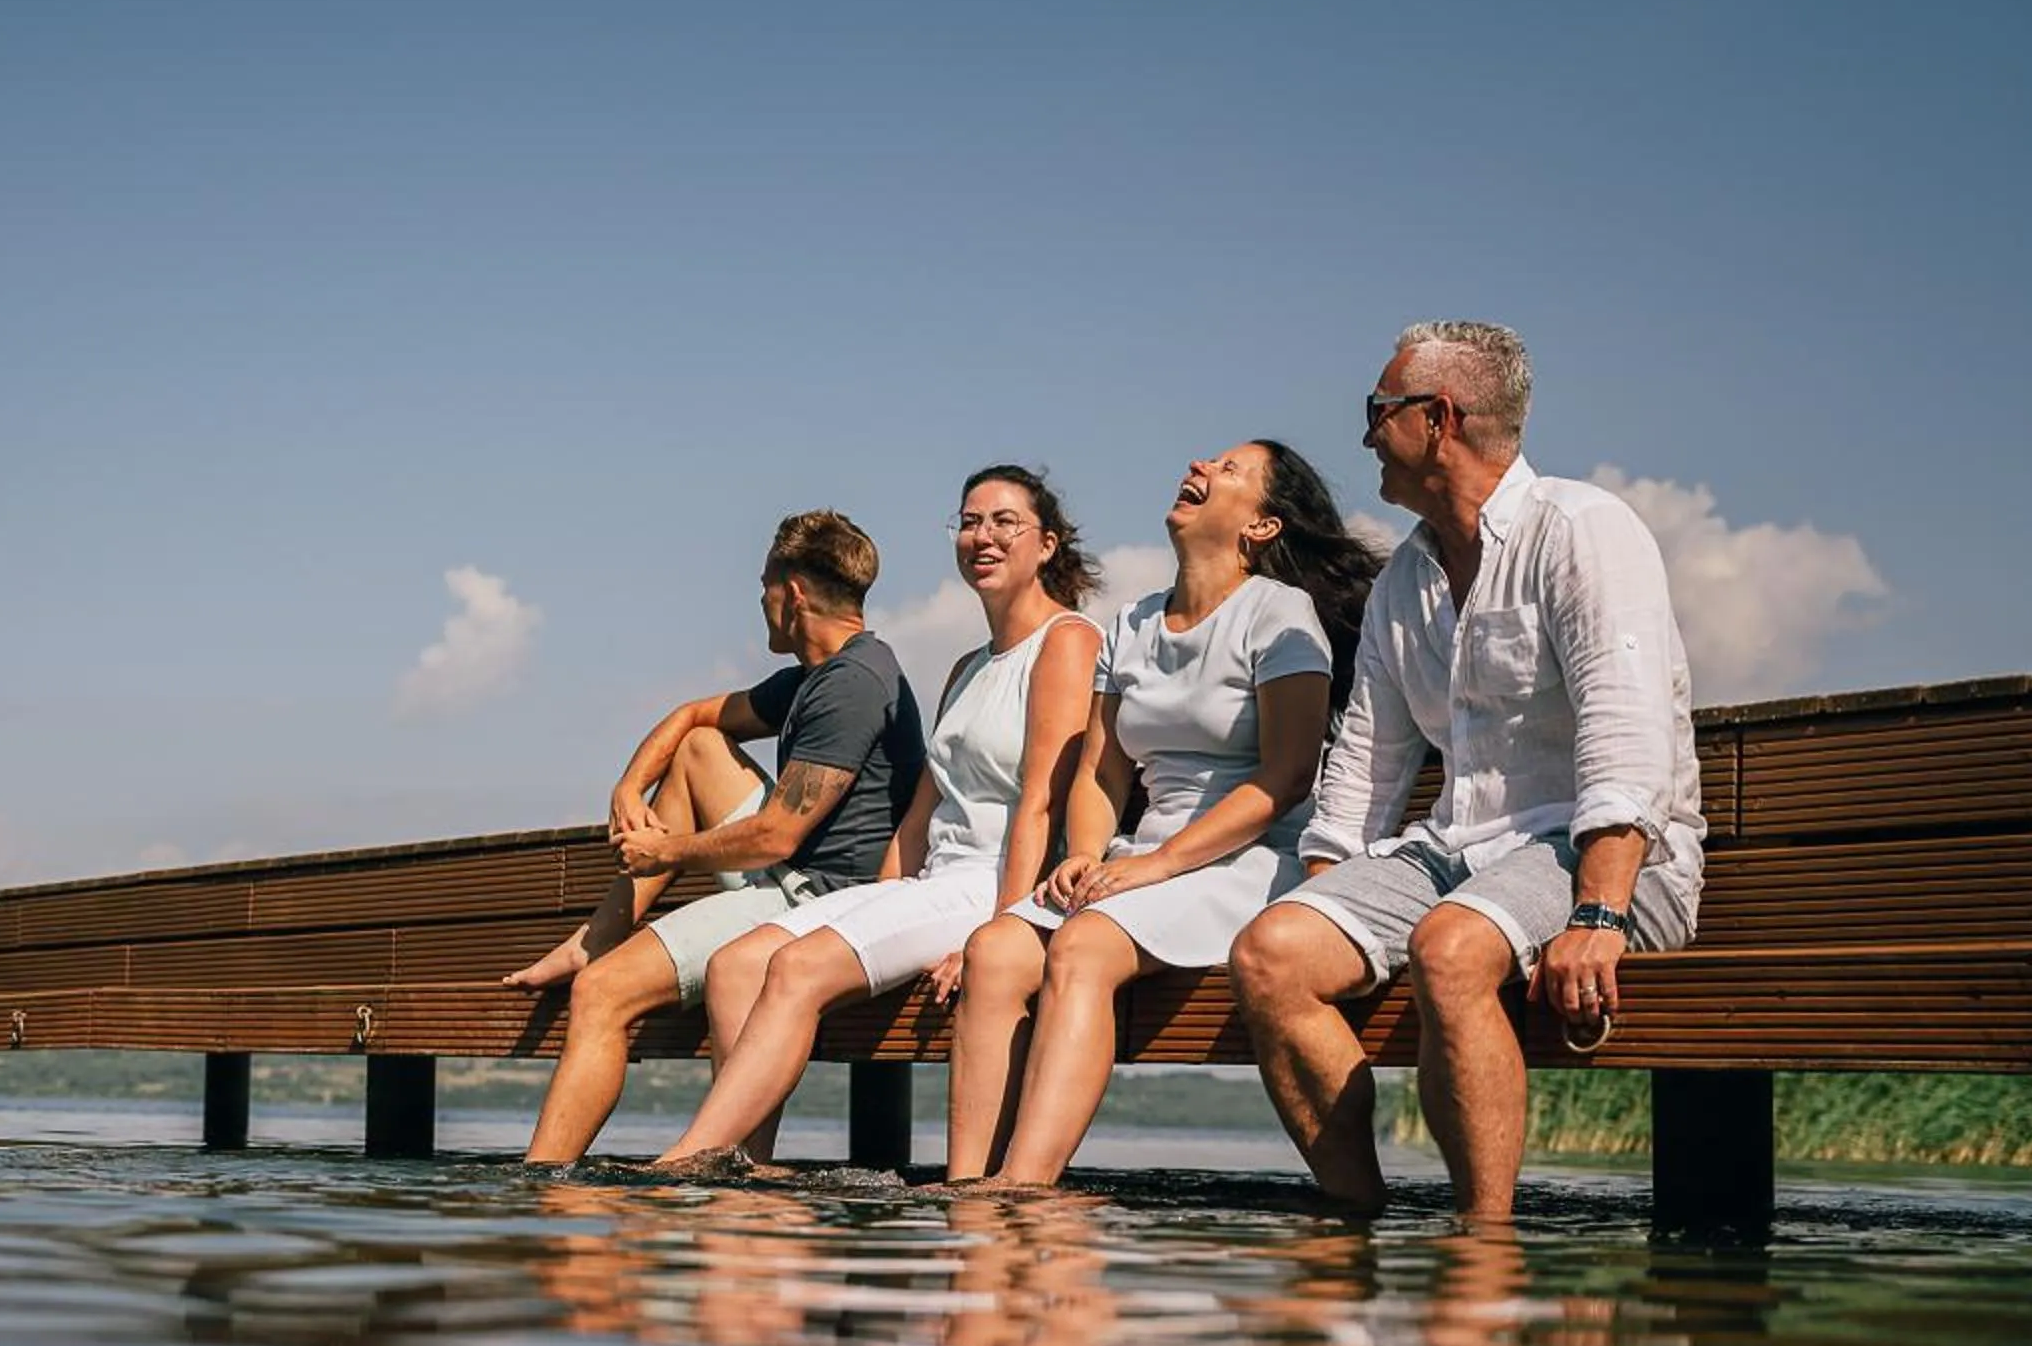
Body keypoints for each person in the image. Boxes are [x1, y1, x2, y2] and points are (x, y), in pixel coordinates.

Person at [1228, 321, 1706, 1222]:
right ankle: (1354, 1228)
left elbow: (1627, 729)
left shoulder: (1583, 530)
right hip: (1462, 852)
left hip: (1614, 858)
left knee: (1450, 948)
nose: (1367, 434)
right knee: (1270, 951)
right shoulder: (1404, 581)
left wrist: (1599, 914)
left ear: (1437, 417)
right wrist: (1334, 907)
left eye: (1378, 411)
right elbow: (1367, 763)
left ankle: (1481, 1250)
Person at [943, 440, 1380, 1186]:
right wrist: (1086, 852)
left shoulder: (1282, 615)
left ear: (1263, 526)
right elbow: (1100, 772)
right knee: (996, 950)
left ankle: (1022, 1193)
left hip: (1246, 864)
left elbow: (1285, 776)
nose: (1202, 468)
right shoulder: (1135, 624)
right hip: (1139, 866)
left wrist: (1153, 866)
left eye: (1231, 471)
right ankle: (965, 1193)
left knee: (1081, 948)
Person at [652, 465, 1104, 1169]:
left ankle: (689, 1158)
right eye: (969, 521)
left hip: (991, 889)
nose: (981, 536)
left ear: (1046, 544)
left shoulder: (1067, 642)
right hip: (930, 885)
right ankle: (744, 1174)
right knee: (738, 965)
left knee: (797, 967)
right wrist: (880, 893)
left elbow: (1041, 803)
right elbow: (926, 807)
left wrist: (999, 935)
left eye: (1003, 521)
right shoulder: (967, 667)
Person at [508, 510, 926, 1163]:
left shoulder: (852, 685)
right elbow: (694, 717)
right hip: (787, 876)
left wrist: (665, 849)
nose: (758, 601)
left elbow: (778, 837)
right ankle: (596, 939)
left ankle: (543, 1184)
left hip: (817, 900)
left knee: (603, 994)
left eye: (763, 585)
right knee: (703, 747)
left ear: (792, 593)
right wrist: (628, 787)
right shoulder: (815, 677)